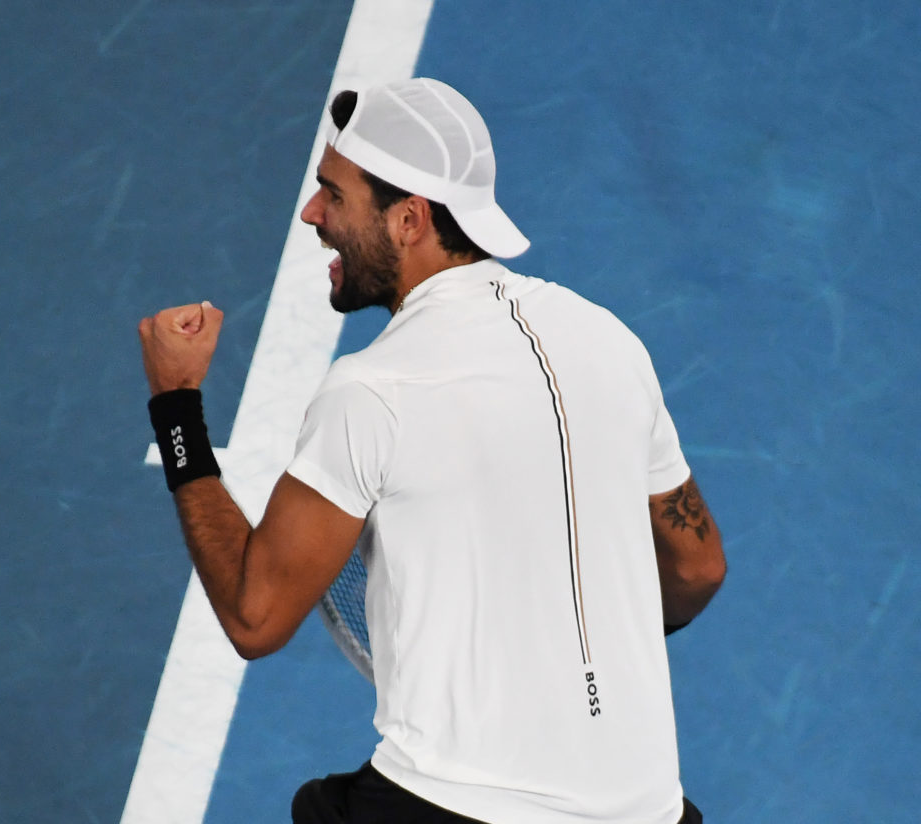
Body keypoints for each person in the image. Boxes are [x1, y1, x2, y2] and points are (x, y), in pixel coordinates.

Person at [139, 78, 726, 824]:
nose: (312, 213)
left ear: (409, 219)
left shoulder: (372, 391)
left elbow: (255, 618)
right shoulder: (610, 342)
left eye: (334, 195)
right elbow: (697, 568)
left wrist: (176, 407)